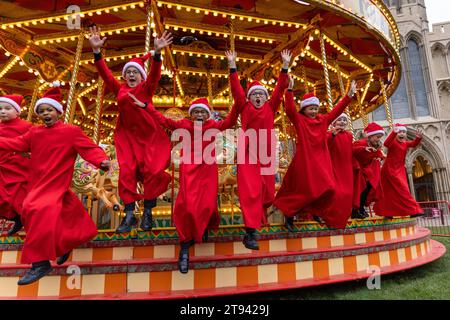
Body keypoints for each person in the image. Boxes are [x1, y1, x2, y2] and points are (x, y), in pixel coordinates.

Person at [0, 83, 110, 285]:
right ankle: (65, 243)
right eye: (41, 111)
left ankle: (40, 263)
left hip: (56, 182)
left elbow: (89, 148)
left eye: (49, 109)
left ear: (58, 111)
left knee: (36, 209)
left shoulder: (71, 131)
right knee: (38, 210)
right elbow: (16, 144)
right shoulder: (35, 133)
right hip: (38, 183)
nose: (45, 113)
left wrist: (101, 160)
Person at [129, 90, 241, 274]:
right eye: (196, 112)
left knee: (206, 204)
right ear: (191, 114)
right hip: (189, 170)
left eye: (202, 112)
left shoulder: (213, 125)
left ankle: (203, 226)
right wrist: (145, 106)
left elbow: (229, 122)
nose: (199, 115)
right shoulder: (184, 126)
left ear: (207, 114)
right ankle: (184, 247)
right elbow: (164, 121)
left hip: (208, 170)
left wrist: (238, 101)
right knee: (186, 206)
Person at [89, 26, 173, 233]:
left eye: (135, 72)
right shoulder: (120, 89)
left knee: (152, 172)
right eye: (128, 72)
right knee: (127, 172)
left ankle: (147, 213)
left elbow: (154, 75)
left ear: (141, 76)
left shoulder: (146, 88)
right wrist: (97, 52)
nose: (132, 74)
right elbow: (106, 75)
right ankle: (128, 216)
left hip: (150, 135)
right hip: (127, 136)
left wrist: (157, 54)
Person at [273, 77, 357, 230]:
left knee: (329, 187)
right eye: (310, 108)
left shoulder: (323, 121)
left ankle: (317, 210)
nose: (313, 111)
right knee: (304, 189)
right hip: (305, 159)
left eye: (315, 108)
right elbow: (290, 110)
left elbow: (336, 111)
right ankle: (289, 215)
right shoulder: (299, 120)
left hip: (321, 161)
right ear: (304, 109)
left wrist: (348, 96)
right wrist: (289, 91)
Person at [229, 49, 292, 250]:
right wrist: (232, 67)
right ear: (249, 98)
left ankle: (260, 216)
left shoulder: (271, 107)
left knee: (267, 193)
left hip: (266, 154)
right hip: (248, 154)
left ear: (265, 97)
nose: (258, 96)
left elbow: (279, 89)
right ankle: (250, 232)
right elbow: (236, 90)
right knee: (250, 192)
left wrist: (284, 67)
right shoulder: (244, 106)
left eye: (260, 94)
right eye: (254, 94)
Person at [373, 124, 424, 218]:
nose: (402, 134)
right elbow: (386, 144)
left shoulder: (404, 143)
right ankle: (414, 210)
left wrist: (418, 138)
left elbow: (413, 144)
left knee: (391, 193)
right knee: (402, 190)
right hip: (390, 169)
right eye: (400, 132)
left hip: (399, 169)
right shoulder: (393, 142)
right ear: (396, 134)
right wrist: (393, 132)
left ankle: (388, 213)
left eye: (404, 132)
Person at [0, 95, 32, 235]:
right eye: (0, 109)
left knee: (16, 195)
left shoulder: (26, 126)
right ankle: (14, 217)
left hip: (17, 166)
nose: (3, 111)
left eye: (8, 108)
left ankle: (20, 217)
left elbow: (33, 143)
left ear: (18, 111)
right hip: (2, 166)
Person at [352, 122, 385, 219]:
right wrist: (363, 149)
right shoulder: (361, 143)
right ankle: (355, 210)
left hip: (368, 171)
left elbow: (379, 154)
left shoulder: (377, 145)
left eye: (379, 137)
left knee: (369, 188)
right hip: (359, 171)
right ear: (370, 136)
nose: (378, 139)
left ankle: (361, 207)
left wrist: (380, 158)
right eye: (377, 137)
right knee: (362, 189)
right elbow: (351, 150)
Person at [326, 113, 354, 228]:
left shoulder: (349, 135)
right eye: (339, 120)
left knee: (347, 194)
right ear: (334, 122)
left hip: (346, 168)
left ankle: (343, 220)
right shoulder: (329, 133)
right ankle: (332, 219)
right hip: (334, 165)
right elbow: (325, 145)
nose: (342, 122)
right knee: (337, 194)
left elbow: (351, 150)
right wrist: (332, 135)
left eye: (344, 120)